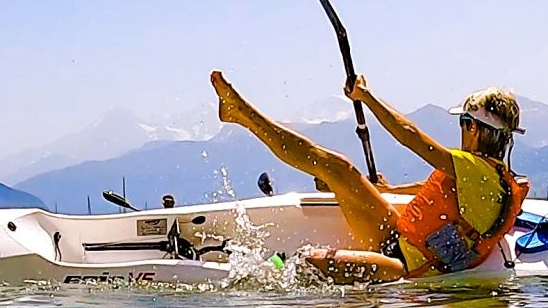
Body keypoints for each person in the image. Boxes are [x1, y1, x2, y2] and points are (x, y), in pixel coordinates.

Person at [210, 70, 528, 280]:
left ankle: (262, 273)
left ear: (472, 127)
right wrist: (385, 189)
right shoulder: (488, 177)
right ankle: (242, 114)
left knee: (310, 263)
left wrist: (367, 97)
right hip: (397, 238)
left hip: (406, 268)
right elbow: (440, 191)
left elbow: (410, 137)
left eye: (462, 123)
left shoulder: (476, 171)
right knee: (339, 168)